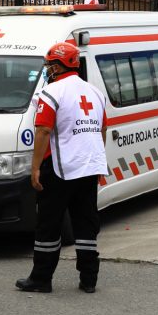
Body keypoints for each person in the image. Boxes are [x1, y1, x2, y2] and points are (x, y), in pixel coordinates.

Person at [16, 41, 108, 294]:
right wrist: (97, 157)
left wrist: (35, 168)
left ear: (57, 66)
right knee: (86, 223)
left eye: (49, 66)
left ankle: (41, 278)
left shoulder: (52, 93)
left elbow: (43, 130)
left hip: (59, 168)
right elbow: (102, 129)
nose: (47, 70)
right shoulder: (95, 93)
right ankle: (89, 279)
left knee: (48, 224)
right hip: (89, 166)